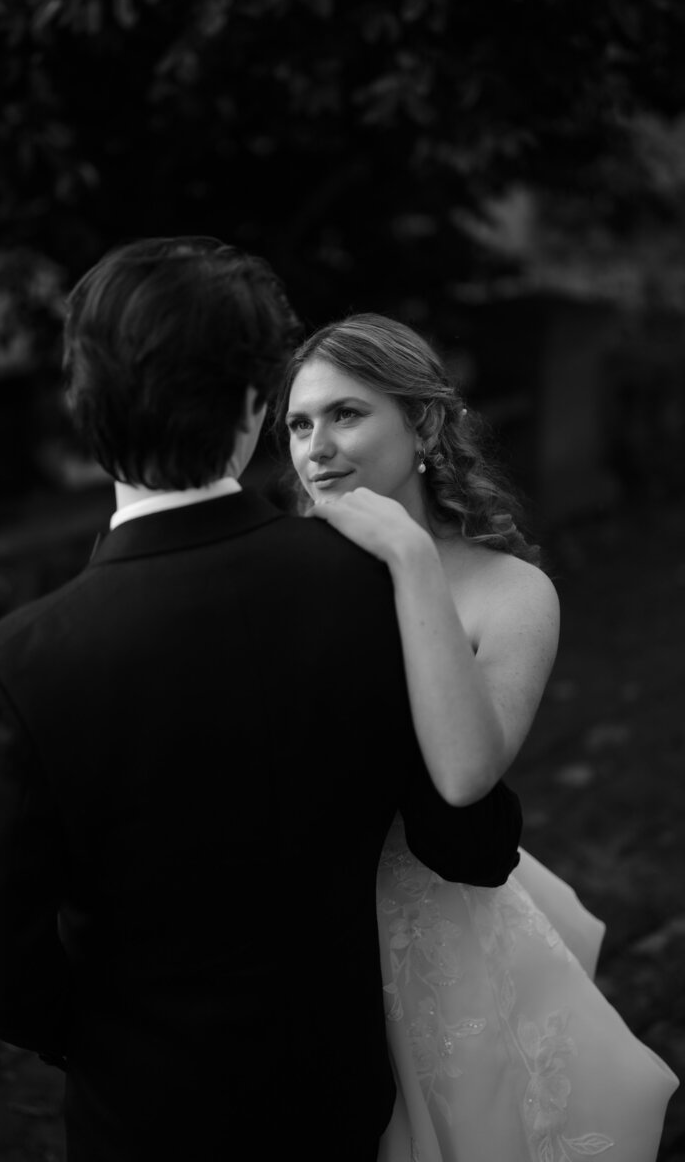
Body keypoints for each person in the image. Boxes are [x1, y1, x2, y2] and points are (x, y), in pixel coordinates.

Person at [0, 239, 525, 1162]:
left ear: (80, 410)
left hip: (147, 1119)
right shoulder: (371, 580)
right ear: (257, 409)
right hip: (338, 1094)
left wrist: (107, 1042)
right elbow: (469, 840)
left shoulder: (17, 666)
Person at [280, 312, 679, 1162]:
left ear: (423, 424)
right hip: (298, 936)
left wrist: (412, 560)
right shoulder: (280, 579)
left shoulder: (511, 592)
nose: (316, 446)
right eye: (298, 423)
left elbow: (464, 773)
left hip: (436, 934)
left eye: (347, 414)